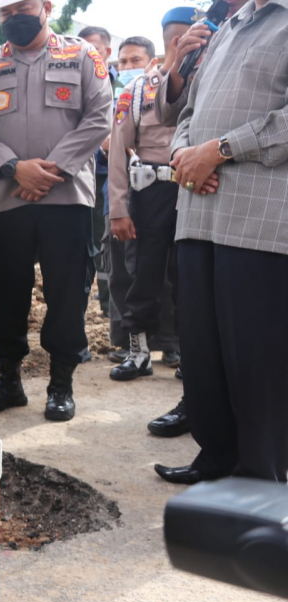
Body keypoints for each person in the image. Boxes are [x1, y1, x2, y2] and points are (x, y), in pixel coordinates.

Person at [155, 0, 288, 485]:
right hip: (197, 214)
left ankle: (261, 478)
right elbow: (186, 111)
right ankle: (216, 461)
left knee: (256, 359)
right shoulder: (228, 26)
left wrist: (219, 151)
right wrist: (182, 154)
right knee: (203, 352)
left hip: (259, 223)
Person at [0, 0, 112, 422]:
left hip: (66, 197)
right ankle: (8, 382)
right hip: (8, 199)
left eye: (23, 7)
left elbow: (99, 117)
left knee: (67, 294)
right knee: (6, 292)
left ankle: (61, 385)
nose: (15, 17)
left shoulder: (83, 55)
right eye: (5, 13)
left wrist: (50, 171)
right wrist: (15, 169)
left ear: (46, 6)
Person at [148, 3, 245, 439]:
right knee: (200, 317)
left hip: (255, 197)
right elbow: (170, 116)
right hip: (197, 196)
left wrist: (215, 155)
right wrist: (178, 71)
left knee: (249, 325)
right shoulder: (210, 25)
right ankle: (200, 406)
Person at [106, 34, 191, 381]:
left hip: (194, 189)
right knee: (143, 275)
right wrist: (118, 208)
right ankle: (138, 353)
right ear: (174, 39)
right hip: (151, 192)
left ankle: (192, 355)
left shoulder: (205, 81)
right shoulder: (137, 90)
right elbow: (117, 151)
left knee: (191, 278)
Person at [77, 26, 114, 319]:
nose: (87, 55)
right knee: (79, 242)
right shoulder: (71, 85)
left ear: (107, 52)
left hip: (108, 177)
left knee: (104, 240)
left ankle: (107, 306)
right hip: (76, 176)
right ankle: (78, 307)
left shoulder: (124, 87)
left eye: (94, 49)